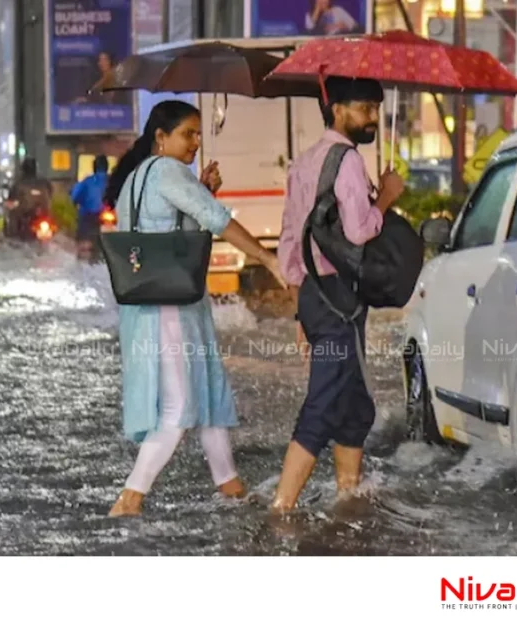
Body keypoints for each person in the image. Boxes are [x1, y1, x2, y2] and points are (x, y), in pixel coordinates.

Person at [104, 100, 288, 517]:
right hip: (169, 306)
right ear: (161, 138)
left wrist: (202, 189)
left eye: (198, 134)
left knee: (208, 399)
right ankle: (129, 500)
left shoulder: (136, 177)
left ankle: (232, 488)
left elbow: (175, 228)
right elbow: (217, 220)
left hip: (161, 303)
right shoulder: (168, 171)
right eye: (188, 134)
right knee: (178, 410)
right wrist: (267, 258)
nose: (196, 143)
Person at [271, 76, 405, 514]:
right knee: (325, 400)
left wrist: (301, 313)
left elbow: (290, 240)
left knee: (355, 405)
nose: (371, 118)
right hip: (340, 298)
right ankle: (281, 508)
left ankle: (348, 495)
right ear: (337, 110)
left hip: (316, 295)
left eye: (374, 110)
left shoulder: (305, 161)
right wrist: (385, 198)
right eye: (364, 109)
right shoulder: (346, 161)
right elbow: (360, 231)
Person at [70, 154, 109, 261]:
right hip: (112, 219)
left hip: (89, 218)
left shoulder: (87, 181)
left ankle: (84, 251)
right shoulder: (115, 181)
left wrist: (75, 202)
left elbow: (75, 195)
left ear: (94, 167)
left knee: (83, 245)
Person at [5, 158, 53, 240]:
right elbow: (51, 193)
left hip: (25, 214)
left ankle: (12, 236)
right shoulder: (44, 182)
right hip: (43, 213)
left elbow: (11, 199)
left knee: (12, 216)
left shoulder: (19, 183)